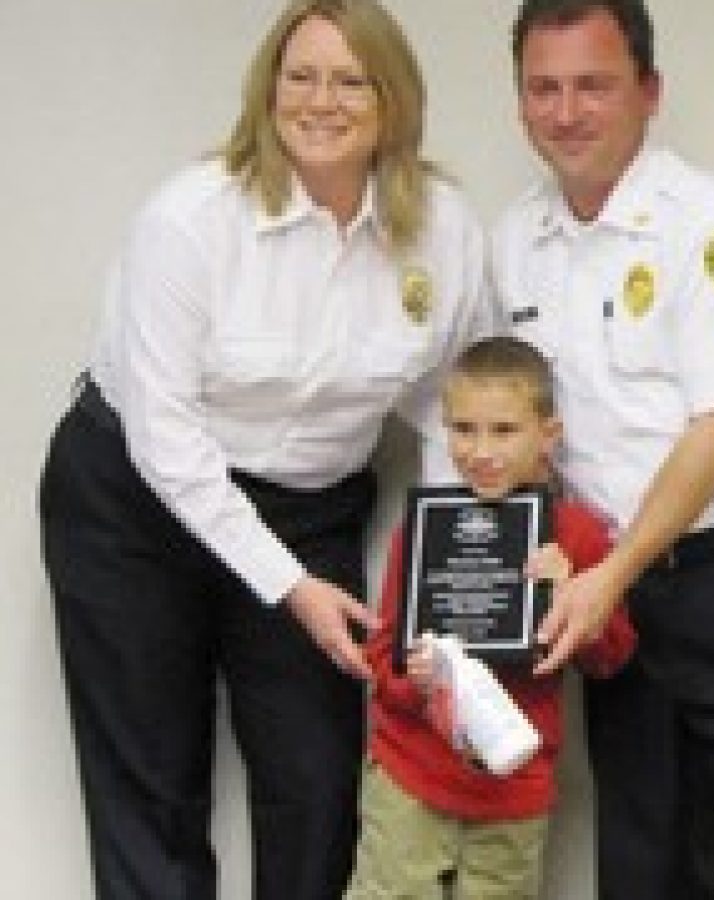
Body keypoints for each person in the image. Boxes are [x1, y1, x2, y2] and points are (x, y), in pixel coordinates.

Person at [37, 2, 488, 898]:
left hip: (308, 506)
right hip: (133, 505)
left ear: (392, 98)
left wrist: (457, 577)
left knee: (317, 785)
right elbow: (166, 441)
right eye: (301, 76)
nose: (322, 101)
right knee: (151, 787)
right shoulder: (190, 220)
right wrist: (284, 586)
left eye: (350, 79)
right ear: (268, 90)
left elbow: (460, 411)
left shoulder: (444, 229)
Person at [492, 1, 714, 898]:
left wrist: (607, 578)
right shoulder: (513, 246)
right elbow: (507, 421)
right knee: (646, 865)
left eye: (593, 86)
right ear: (520, 103)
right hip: (615, 597)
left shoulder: (712, 229)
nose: (567, 111)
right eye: (544, 88)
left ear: (648, 93)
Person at [344, 336, 637, 899]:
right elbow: (383, 654)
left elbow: (613, 656)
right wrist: (417, 682)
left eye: (503, 431)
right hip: (412, 770)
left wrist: (569, 596)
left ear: (548, 436)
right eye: (463, 429)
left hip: (514, 783)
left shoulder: (575, 535)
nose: (481, 451)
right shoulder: (425, 532)